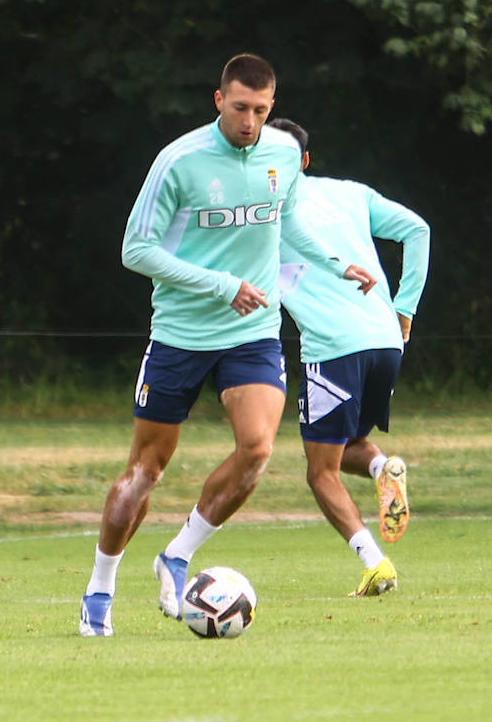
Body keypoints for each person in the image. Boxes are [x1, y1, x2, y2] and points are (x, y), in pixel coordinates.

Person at [80, 54, 379, 637]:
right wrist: (222, 286)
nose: (249, 121)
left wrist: (337, 263)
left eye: (261, 110)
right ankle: (100, 587)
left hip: (252, 332)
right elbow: (135, 250)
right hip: (181, 335)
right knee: (144, 473)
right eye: (240, 107)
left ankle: (177, 554)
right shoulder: (179, 161)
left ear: (272, 107)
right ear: (218, 100)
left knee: (258, 449)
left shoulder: (282, 154)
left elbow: (287, 220)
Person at [270, 117, 429, 597]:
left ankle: (375, 564)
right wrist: (405, 308)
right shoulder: (351, 193)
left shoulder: (262, 210)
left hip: (333, 348)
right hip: (385, 341)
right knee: (351, 442)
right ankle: (383, 469)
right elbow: (418, 229)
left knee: (320, 471)